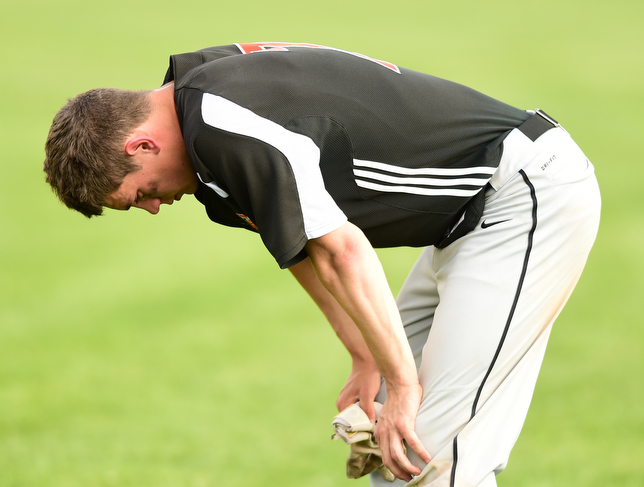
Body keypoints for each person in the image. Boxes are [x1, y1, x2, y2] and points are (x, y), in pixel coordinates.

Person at [44, 42, 601, 487]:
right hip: (474, 218)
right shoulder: (197, 107)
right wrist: (367, 358)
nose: (153, 206)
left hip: (524, 195)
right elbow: (306, 249)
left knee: (434, 455)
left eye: (138, 194)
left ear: (140, 146)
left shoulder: (221, 124)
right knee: (395, 446)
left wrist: (403, 379)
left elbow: (342, 249)